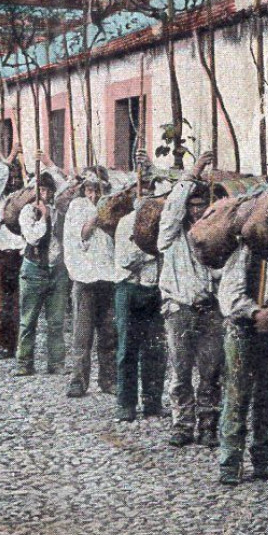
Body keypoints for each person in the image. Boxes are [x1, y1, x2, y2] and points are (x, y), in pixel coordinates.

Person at [213, 147, 268, 485]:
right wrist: (254, 310)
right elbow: (229, 296)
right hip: (243, 330)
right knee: (237, 394)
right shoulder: (243, 251)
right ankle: (230, 462)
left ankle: (263, 458)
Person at [156, 149, 223, 448]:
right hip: (179, 310)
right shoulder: (170, 235)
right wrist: (193, 172)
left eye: (202, 205)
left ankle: (208, 425)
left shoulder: (219, 238)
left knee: (210, 372)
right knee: (181, 373)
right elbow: (172, 208)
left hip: (210, 312)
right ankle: (182, 424)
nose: (196, 211)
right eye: (192, 205)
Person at [112, 169, 168, 424]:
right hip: (130, 289)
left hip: (154, 290)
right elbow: (125, 260)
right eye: (141, 192)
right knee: (127, 348)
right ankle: (126, 403)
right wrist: (150, 251)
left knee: (155, 349)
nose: (145, 197)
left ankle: (153, 401)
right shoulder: (126, 223)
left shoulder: (162, 222)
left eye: (149, 192)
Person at [13, 156, 70, 378]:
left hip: (56, 270)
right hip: (34, 270)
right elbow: (34, 238)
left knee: (56, 321)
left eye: (48, 191)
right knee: (28, 320)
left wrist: (49, 163)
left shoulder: (59, 210)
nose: (45, 195)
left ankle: (56, 362)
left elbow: (67, 186)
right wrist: (44, 217)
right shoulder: (28, 212)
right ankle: (24, 362)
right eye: (42, 191)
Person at [63, 172, 119, 398]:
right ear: (83, 190)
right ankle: (78, 381)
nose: (94, 194)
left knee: (109, 333)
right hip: (85, 278)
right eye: (89, 190)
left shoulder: (111, 206)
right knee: (82, 335)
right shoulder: (78, 207)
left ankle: (109, 380)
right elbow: (83, 234)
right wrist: (97, 214)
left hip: (107, 277)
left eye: (97, 190)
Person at [0, 157, 25, 358]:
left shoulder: (20, 200)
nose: (14, 180)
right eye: (11, 177)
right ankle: (7, 343)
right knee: (5, 302)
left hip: (19, 255)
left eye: (17, 176)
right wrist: (10, 156)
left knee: (17, 303)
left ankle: (18, 345)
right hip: (3, 256)